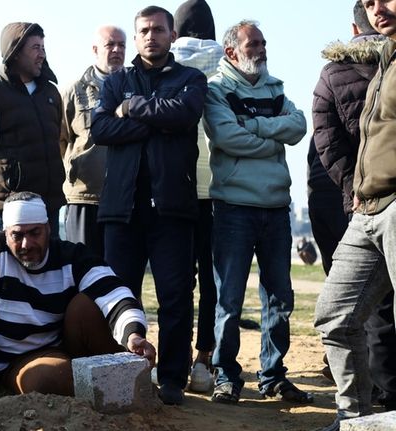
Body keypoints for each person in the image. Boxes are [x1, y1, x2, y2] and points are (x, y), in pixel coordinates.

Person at [0, 192, 155, 401]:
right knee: (50, 378)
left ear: (48, 228)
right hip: (15, 359)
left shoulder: (70, 255)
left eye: (35, 233)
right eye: (18, 235)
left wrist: (133, 334)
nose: (27, 244)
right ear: (5, 234)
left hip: (63, 343)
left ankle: (129, 378)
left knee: (89, 303)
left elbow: (113, 291)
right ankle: (106, 388)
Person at [91, 6, 207, 405]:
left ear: (172, 35)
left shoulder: (191, 78)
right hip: (121, 209)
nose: (151, 36)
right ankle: (124, 375)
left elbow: (186, 114)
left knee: (175, 297)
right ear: (136, 37)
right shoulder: (116, 80)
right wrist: (158, 117)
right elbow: (100, 127)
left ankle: (173, 378)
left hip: (172, 208)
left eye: (159, 29)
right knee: (120, 297)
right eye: (144, 30)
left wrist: (134, 108)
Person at [203, 20, 312, 405]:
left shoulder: (275, 88)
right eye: (255, 44)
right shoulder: (215, 90)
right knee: (229, 298)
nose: (262, 49)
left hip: (275, 207)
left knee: (280, 297)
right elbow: (226, 137)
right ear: (232, 51)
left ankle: (273, 376)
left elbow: (298, 127)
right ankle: (226, 376)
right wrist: (271, 135)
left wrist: (254, 126)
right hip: (233, 207)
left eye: (264, 43)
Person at [315, 0, 396, 428]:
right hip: (366, 207)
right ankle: (356, 420)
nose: (377, 9)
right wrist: (356, 192)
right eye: (368, 3)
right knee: (334, 315)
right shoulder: (384, 57)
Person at [169, 0, 222, 393]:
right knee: (214, 281)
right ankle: (205, 359)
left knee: (179, 279)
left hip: (178, 184)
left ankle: (178, 354)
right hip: (220, 187)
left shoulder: (166, 63)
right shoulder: (228, 63)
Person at [0, 22, 64, 237]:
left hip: (49, 205)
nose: (42, 54)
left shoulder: (51, 93)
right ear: (15, 52)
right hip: (8, 207)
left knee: (50, 269)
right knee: (5, 269)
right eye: (35, 47)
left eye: (43, 48)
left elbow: (58, 139)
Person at [59, 25, 126, 258]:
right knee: (83, 272)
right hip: (84, 198)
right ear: (96, 49)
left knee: (122, 276)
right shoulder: (73, 90)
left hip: (125, 199)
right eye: (110, 45)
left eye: (122, 45)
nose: (117, 50)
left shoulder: (135, 86)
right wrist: (74, 170)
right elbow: (61, 139)